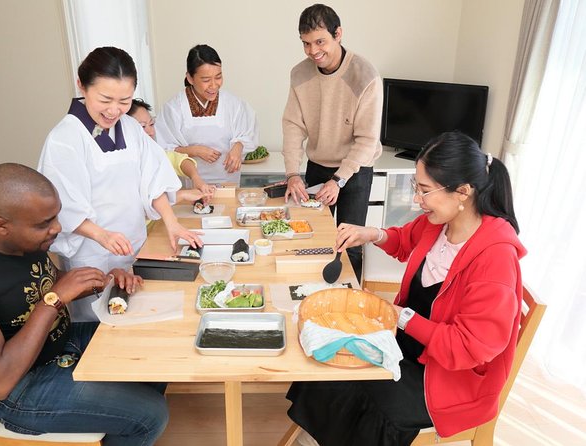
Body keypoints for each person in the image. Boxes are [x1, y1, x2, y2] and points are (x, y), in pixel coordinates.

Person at [286, 131, 526, 446]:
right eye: (417, 187)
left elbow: (468, 348)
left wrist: (398, 315)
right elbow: (405, 240)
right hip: (405, 345)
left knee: (364, 394)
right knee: (329, 360)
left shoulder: (495, 259)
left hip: (446, 380)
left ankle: (315, 437)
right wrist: (371, 233)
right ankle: (314, 437)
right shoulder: (439, 221)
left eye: (425, 190)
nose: (417, 199)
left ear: (463, 192)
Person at [0, 163, 168, 444]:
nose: (57, 228)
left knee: (152, 354)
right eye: (44, 224)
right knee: (150, 415)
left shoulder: (18, 240)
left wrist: (104, 283)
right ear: (0, 225)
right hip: (21, 389)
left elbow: (38, 285)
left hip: (59, 342)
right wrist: (53, 301)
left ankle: (114, 421)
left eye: (55, 217)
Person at [38, 47, 202, 322]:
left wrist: (172, 223)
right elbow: (62, 207)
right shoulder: (64, 139)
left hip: (135, 244)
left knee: (139, 314)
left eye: (124, 100)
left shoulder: (129, 128)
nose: (115, 110)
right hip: (91, 254)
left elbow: (153, 178)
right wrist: (102, 236)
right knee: (100, 323)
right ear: (82, 85)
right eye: (106, 99)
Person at [282, 4, 383, 283]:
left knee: (349, 245)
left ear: (338, 34)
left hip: (355, 171)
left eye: (320, 41)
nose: (313, 51)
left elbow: (366, 140)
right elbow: (292, 125)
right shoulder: (300, 74)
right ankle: (312, 296)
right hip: (318, 166)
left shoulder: (365, 76)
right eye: (306, 43)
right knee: (312, 235)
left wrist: (339, 181)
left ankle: (349, 305)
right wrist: (292, 174)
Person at [155, 44, 259, 185]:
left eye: (218, 77)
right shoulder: (173, 109)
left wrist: (238, 146)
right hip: (191, 184)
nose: (214, 85)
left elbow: (247, 134)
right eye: (206, 80)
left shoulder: (233, 104)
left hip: (228, 181)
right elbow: (163, 150)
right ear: (190, 78)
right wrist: (194, 150)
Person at [127, 98, 215, 202]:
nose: (151, 132)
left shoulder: (152, 152)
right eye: (142, 127)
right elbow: (144, 203)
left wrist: (195, 178)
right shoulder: (122, 163)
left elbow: (178, 160)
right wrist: (182, 195)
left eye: (151, 124)